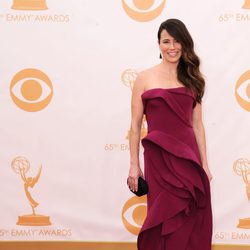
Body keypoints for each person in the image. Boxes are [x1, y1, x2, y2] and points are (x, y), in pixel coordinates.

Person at [127, 18, 213, 250]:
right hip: (157, 157)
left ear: (185, 44)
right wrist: (134, 165)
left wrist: (204, 164)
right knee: (161, 212)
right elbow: (135, 125)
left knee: (191, 215)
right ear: (159, 44)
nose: (172, 46)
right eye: (166, 41)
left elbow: (198, 125)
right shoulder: (144, 78)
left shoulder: (193, 79)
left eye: (177, 41)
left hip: (188, 158)